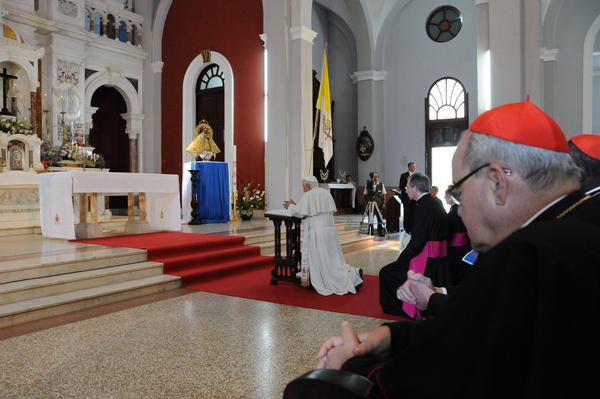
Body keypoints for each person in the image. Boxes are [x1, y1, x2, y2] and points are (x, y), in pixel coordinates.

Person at [314, 100, 600, 398]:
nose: (460, 212)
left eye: (459, 193)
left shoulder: (525, 257)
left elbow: (439, 379)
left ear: (497, 183)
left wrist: (351, 364)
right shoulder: (577, 225)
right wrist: (393, 335)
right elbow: (478, 328)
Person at [378, 172, 450, 318]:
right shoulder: (434, 201)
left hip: (427, 260)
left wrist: (403, 258)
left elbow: (417, 242)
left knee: (386, 272)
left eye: (407, 186)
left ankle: (398, 309)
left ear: (415, 188)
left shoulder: (423, 207)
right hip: (439, 258)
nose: (406, 189)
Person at [283, 176, 363, 295]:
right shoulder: (325, 193)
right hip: (329, 231)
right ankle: (351, 274)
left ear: (308, 186)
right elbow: (307, 208)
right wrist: (297, 205)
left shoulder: (309, 195)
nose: (303, 188)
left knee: (322, 260)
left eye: (303, 185)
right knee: (332, 258)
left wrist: (290, 206)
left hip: (318, 232)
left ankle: (344, 279)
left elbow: (299, 212)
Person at [363, 172, 386, 236]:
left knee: (379, 218)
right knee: (370, 217)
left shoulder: (381, 184)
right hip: (370, 203)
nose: (375, 178)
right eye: (374, 177)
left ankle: (380, 231)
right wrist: (365, 204)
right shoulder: (368, 185)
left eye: (376, 177)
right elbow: (365, 194)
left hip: (379, 204)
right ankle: (370, 230)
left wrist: (384, 203)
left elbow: (384, 194)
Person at [398, 162, 416, 233]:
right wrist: (408, 188)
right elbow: (401, 186)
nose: (414, 168)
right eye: (412, 167)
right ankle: (406, 229)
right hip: (406, 198)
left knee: (414, 213)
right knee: (407, 214)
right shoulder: (404, 175)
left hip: (414, 198)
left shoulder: (416, 176)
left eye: (414, 167)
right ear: (409, 167)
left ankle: (413, 227)